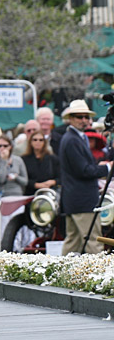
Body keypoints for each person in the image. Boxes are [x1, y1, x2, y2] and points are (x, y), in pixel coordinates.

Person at [57, 100, 110, 255]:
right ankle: (99, 277)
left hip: (75, 200)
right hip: (83, 201)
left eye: (86, 117)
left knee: (73, 241)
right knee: (93, 241)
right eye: (79, 117)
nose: (84, 120)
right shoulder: (72, 139)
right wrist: (107, 168)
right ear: (70, 118)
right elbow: (84, 171)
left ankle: (62, 273)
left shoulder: (75, 138)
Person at [22, 130, 59, 195]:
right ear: (30, 142)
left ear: (44, 142)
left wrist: (53, 182)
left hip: (49, 193)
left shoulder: (52, 158)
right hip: (30, 194)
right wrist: (36, 185)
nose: (38, 142)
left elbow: (61, 176)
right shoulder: (24, 159)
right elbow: (23, 178)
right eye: (35, 140)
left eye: (41, 140)